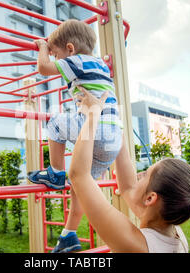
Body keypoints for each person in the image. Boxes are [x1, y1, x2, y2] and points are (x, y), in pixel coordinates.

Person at [68, 88, 190, 253]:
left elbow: (79, 175)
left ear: (151, 198)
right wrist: (116, 127)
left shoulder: (135, 245)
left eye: (146, 174)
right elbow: (127, 187)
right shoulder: (174, 234)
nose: (139, 175)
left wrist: (93, 115)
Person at [27, 19, 123, 253]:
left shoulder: (76, 60)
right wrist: (53, 48)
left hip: (96, 129)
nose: (57, 60)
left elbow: (43, 68)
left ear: (70, 49)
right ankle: (68, 235)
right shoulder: (100, 65)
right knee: (82, 184)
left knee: (55, 123)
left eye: (57, 54)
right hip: (114, 140)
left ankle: (56, 173)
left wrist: (43, 47)